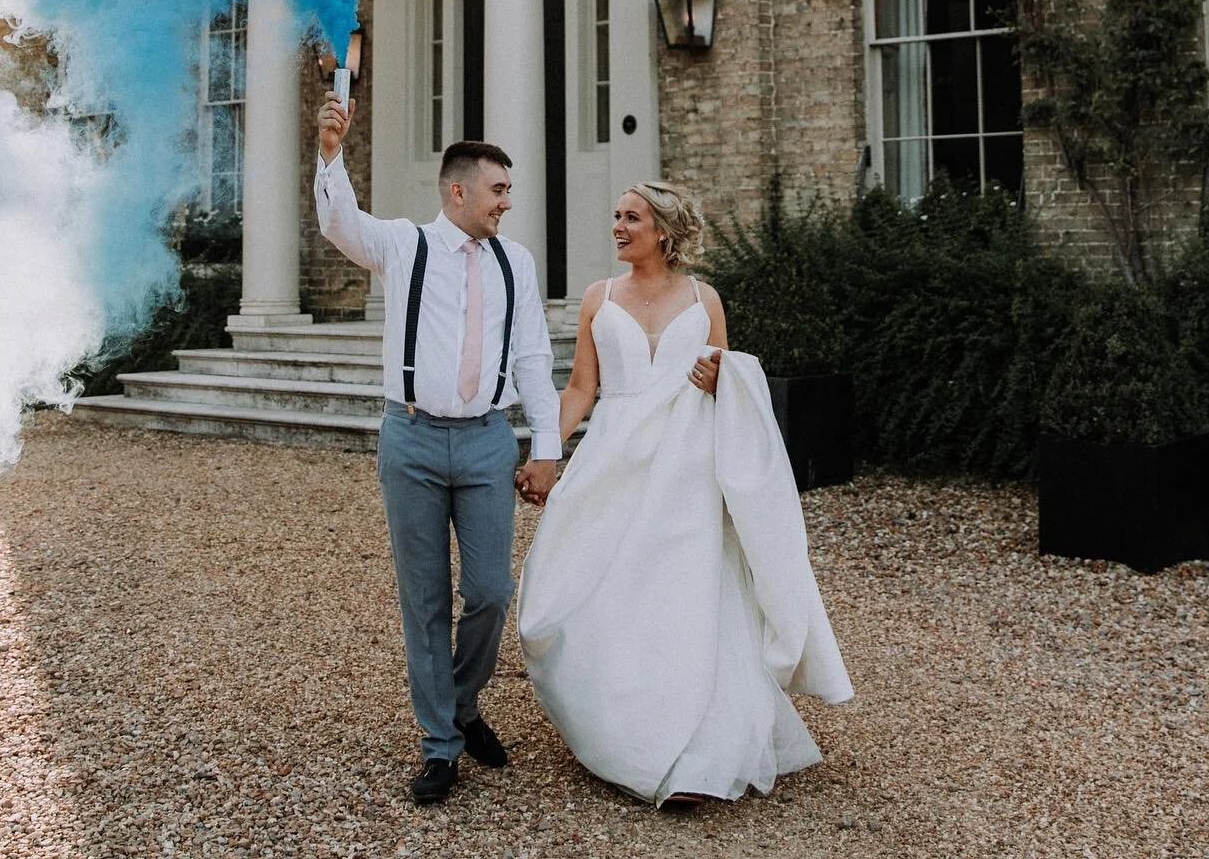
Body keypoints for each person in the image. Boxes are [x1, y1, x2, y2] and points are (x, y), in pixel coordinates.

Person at [516, 180, 852, 807]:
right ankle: (618, 734)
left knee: (682, 595)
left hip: (686, 466)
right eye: (615, 216)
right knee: (591, 586)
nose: (618, 227)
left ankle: (696, 752)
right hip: (613, 460)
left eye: (632, 218)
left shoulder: (704, 299)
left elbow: (731, 387)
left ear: (663, 232)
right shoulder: (598, 298)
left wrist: (721, 373)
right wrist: (544, 450)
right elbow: (581, 390)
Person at [314, 91, 561, 806]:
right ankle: (441, 743)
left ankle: (461, 700)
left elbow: (533, 360)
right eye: (498, 189)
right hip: (413, 438)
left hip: (487, 441)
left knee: (488, 591)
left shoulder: (517, 261)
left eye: (508, 190)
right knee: (423, 601)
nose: (506, 202)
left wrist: (545, 447)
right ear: (458, 191)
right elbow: (339, 224)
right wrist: (332, 153)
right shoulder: (403, 244)